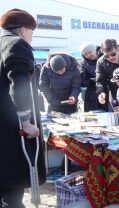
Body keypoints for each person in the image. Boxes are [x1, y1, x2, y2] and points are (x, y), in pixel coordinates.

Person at [0, 9, 46, 207]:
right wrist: (26, 121)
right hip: (10, 128)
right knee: (12, 188)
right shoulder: (17, 44)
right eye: (31, 32)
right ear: (23, 30)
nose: (31, 38)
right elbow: (19, 84)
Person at [79, 42, 104, 112]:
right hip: (92, 93)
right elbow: (82, 80)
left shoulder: (104, 57)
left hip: (106, 90)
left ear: (95, 50)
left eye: (90, 52)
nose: (88, 55)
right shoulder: (83, 63)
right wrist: (96, 80)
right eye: (86, 54)